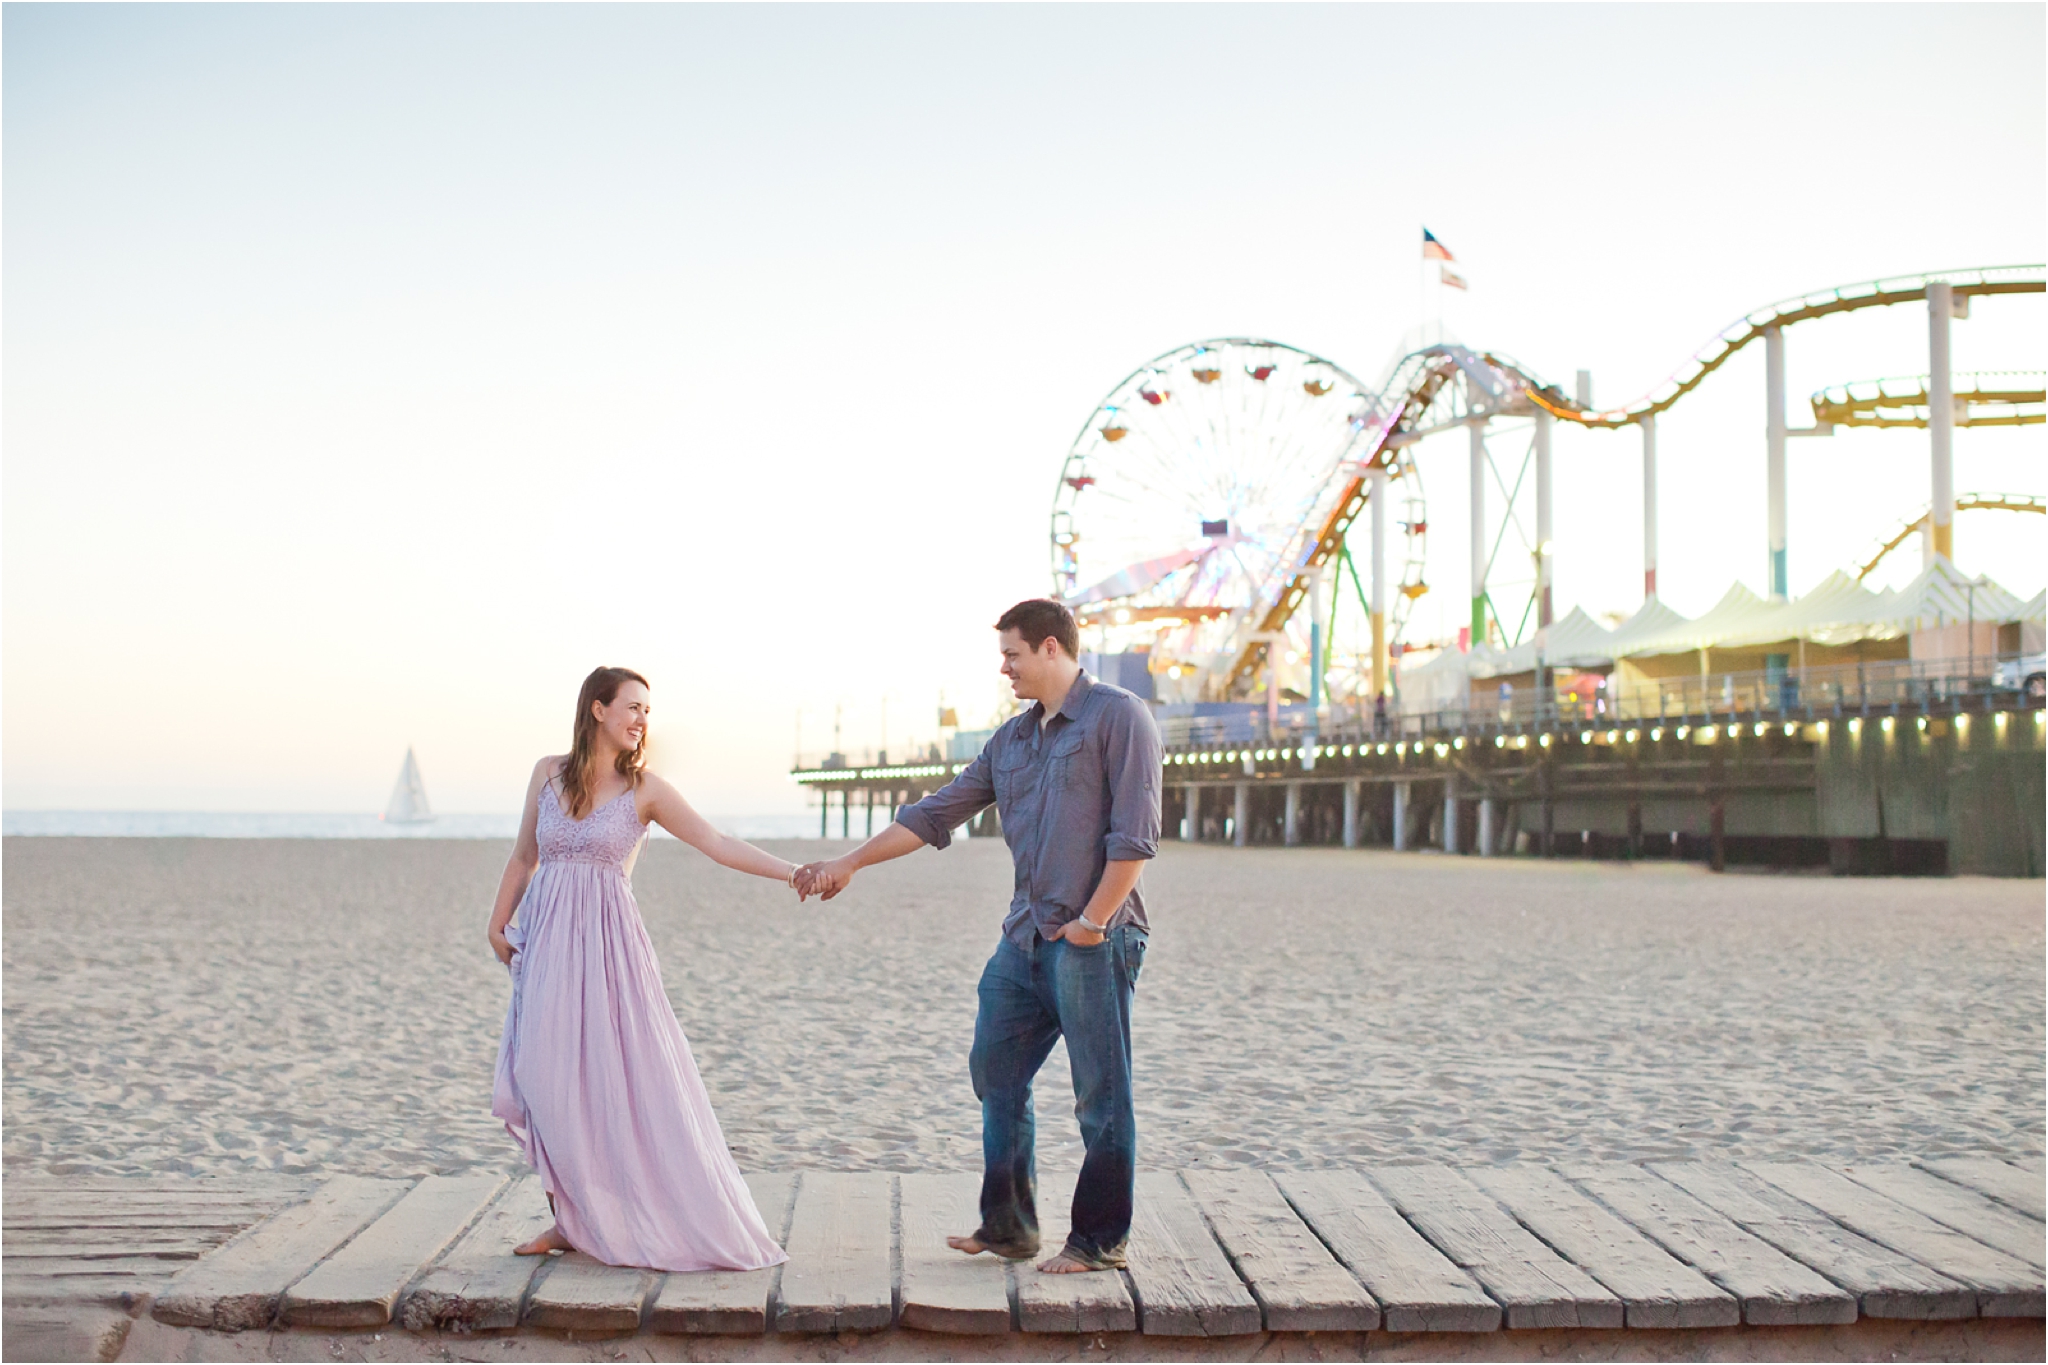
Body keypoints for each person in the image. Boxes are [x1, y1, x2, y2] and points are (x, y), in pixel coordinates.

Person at [797, 600, 1161, 1274]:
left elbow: (1134, 836)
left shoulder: (1119, 717)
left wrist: (1091, 922)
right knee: (995, 1070)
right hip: (1023, 939)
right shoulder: (1012, 741)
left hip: (1093, 937)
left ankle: (1098, 1239)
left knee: (1101, 1094)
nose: (1005, 668)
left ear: (1050, 648)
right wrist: (850, 862)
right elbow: (936, 812)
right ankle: (1010, 1226)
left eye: (1013, 654)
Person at [487, 665, 807, 1272]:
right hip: (549, 941)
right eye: (632, 707)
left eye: (647, 713)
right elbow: (525, 856)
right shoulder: (547, 774)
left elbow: (716, 842)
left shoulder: (647, 790)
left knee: (615, 1079)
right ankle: (570, 1218)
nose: (640, 721)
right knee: (545, 1073)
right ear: (597, 710)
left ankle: (584, 1220)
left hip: (611, 953)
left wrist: (791, 871)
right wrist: (496, 921)